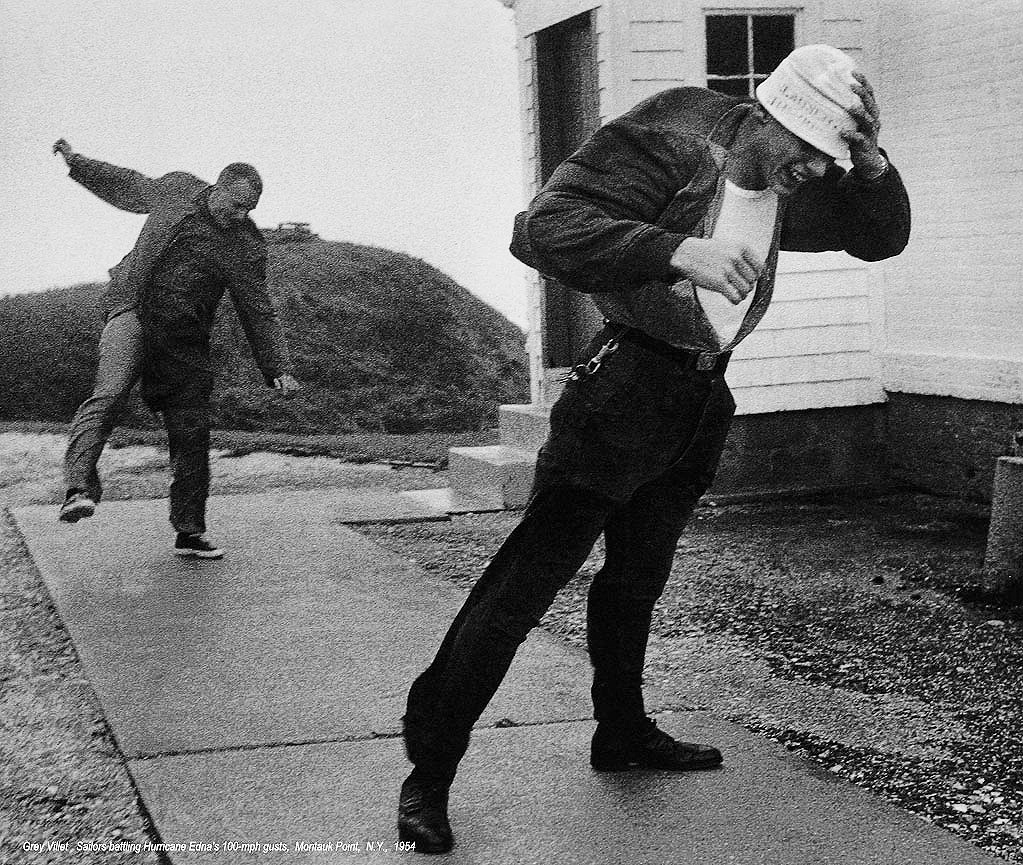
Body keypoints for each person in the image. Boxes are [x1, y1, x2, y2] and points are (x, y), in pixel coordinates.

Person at [397, 45, 911, 853]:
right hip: (620, 390)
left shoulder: (792, 175)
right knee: (522, 590)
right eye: (811, 152)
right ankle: (428, 772)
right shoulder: (674, 132)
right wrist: (674, 249)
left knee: (637, 577)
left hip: (700, 396)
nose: (817, 172)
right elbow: (540, 228)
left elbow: (879, 239)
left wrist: (871, 161)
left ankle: (622, 730)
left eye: (830, 158)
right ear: (775, 119)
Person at [53, 140, 300, 558]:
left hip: (185, 338)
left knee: (191, 432)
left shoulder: (244, 245)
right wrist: (77, 163)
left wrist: (276, 365)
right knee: (109, 394)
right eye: (235, 205)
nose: (240, 216)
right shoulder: (178, 190)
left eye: (249, 210)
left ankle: (189, 531)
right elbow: (126, 185)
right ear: (218, 188)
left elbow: (257, 308)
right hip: (134, 309)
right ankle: (78, 488)